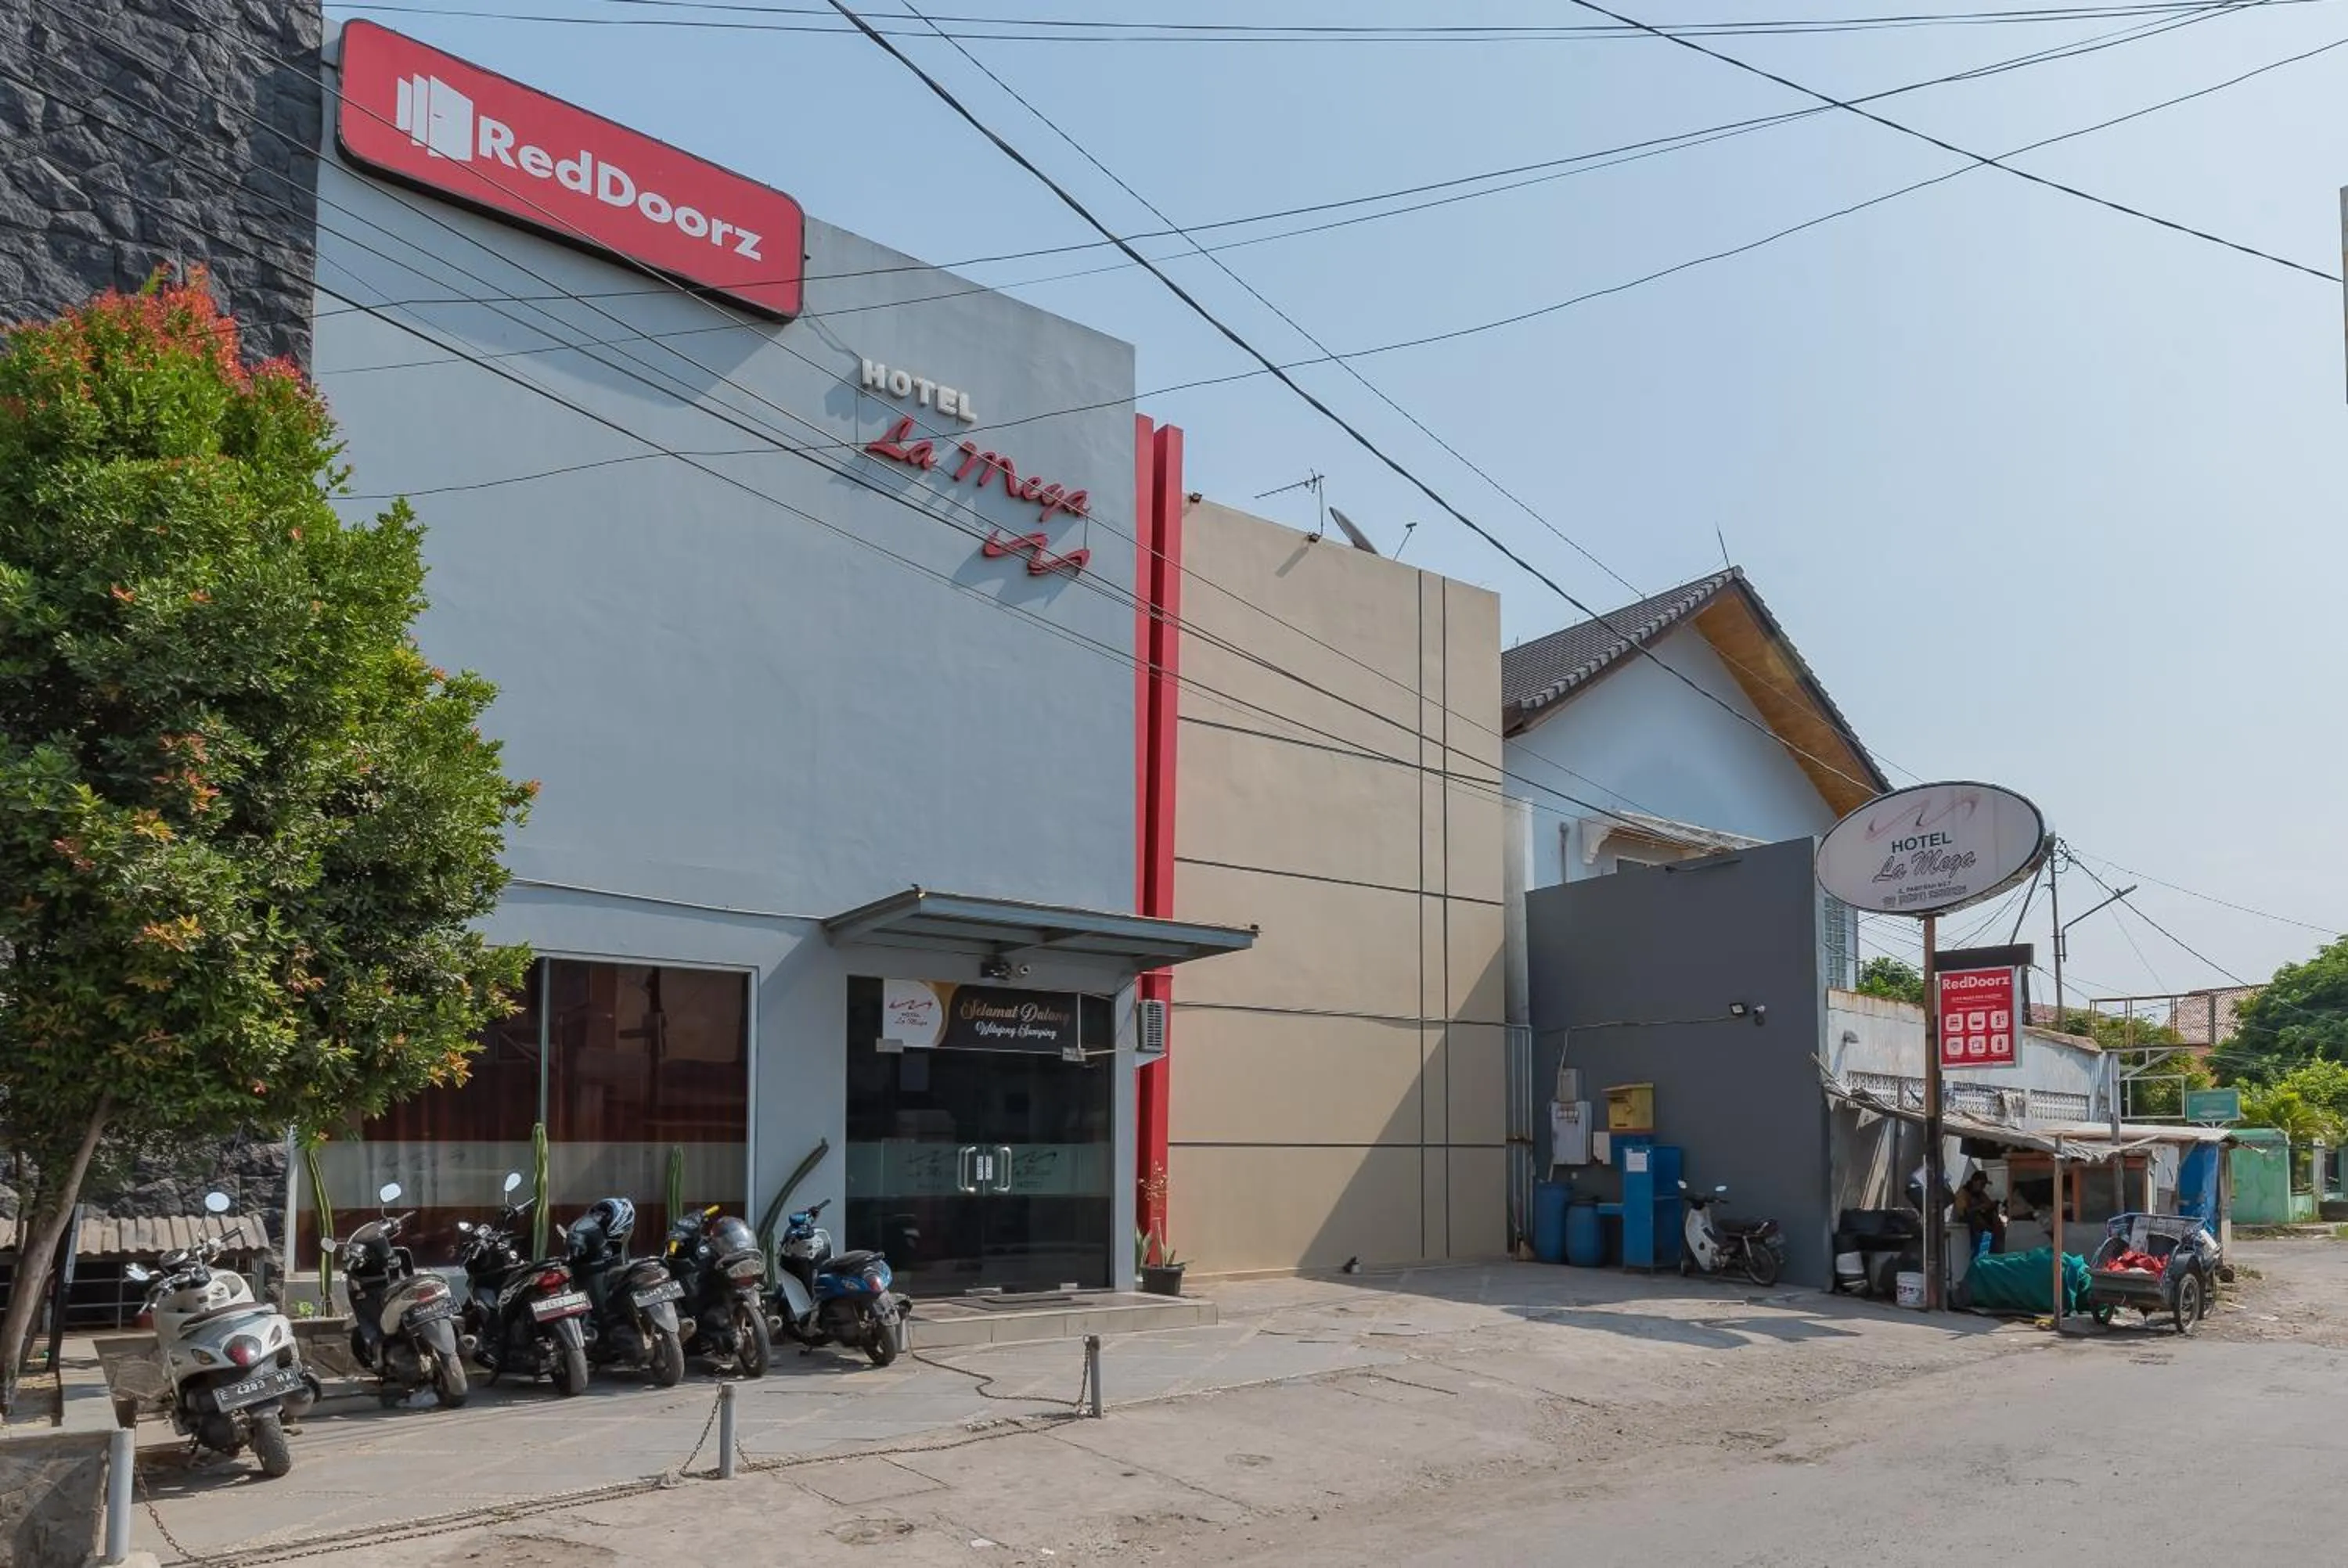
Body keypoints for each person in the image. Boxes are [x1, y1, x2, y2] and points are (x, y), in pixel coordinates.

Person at [1953, 1170, 2007, 1255]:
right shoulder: (1963, 1193)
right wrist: (1980, 1207)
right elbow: (1963, 1212)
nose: (1983, 1187)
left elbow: (1988, 1203)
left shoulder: (1980, 1194)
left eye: (1984, 1185)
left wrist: (1992, 1205)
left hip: (1984, 1231)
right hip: (1968, 1231)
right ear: (1974, 1182)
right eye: (1982, 1184)